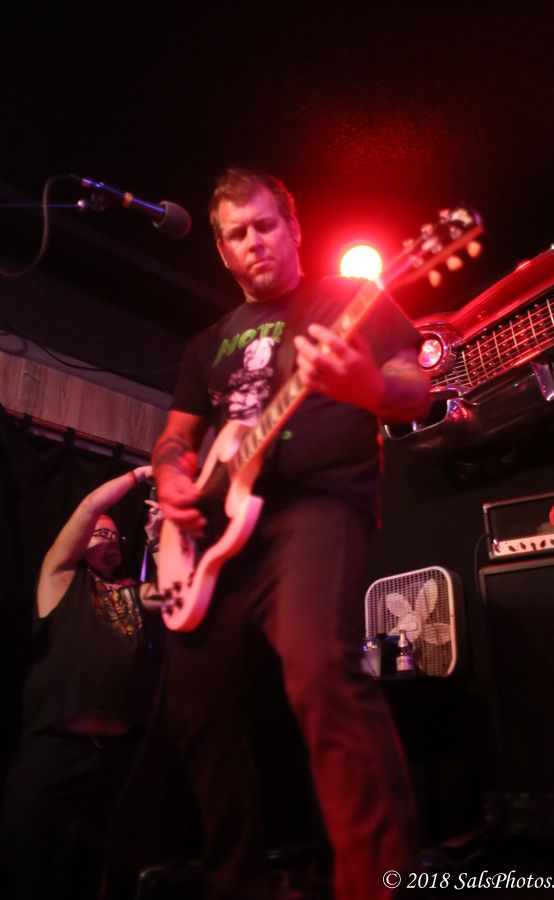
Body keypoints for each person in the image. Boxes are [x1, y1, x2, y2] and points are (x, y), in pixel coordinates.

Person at [152, 167, 431, 900]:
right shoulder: (208, 343)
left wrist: (372, 388)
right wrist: (173, 477)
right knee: (195, 709)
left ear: (294, 228)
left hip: (317, 505)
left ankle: (379, 884)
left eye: (265, 225)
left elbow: (415, 388)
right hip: (216, 535)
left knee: (320, 671)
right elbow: (177, 439)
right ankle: (237, 882)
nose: (254, 242)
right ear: (221, 250)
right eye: (236, 234)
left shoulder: (349, 300)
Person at [0, 466, 160, 900]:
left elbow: (177, 593)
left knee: (90, 876)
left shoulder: (133, 592)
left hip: (113, 761)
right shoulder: (60, 579)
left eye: (115, 536)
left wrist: (160, 539)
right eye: (99, 534)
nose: (110, 540)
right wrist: (140, 474)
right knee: (29, 867)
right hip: (56, 753)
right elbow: (91, 506)